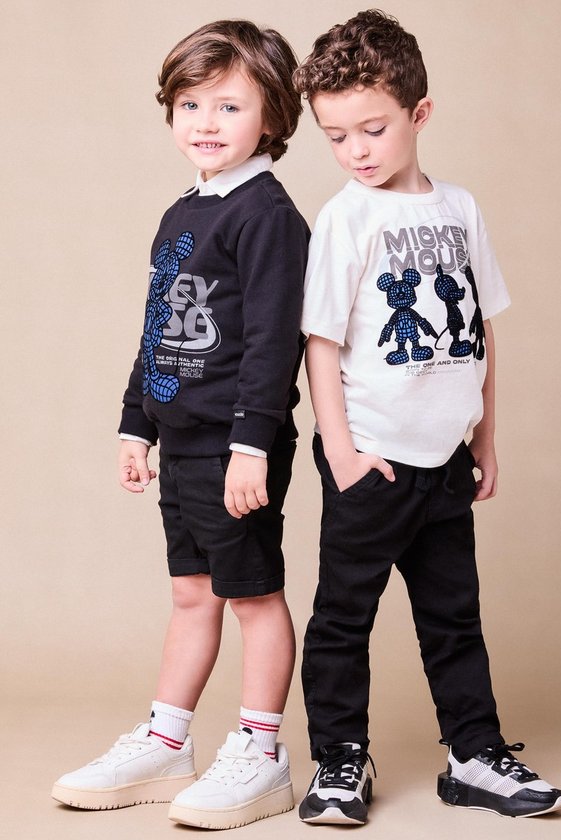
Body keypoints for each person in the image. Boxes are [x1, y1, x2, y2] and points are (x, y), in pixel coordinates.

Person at [293, 9, 561, 825]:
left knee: (454, 618)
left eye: (372, 130)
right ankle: (340, 759)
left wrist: (486, 437)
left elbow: (480, 329)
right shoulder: (345, 218)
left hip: (444, 461)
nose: (356, 151)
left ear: (420, 113)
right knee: (344, 618)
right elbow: (320, 341)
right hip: (372, 459)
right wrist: (341, 452)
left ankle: (474, 755)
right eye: (336, 137)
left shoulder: (460, 209)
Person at [51, 19, 309, 830]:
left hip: (236, 446)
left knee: (252, 596)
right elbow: (156, 325)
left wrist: (251, 446)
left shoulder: (268, 216)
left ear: (272, 116)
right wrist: (137, 424)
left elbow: (275, 342)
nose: (205, 122)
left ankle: (261, 751)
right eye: (190, 104)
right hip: (183, 442)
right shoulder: (183, 212)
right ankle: (167, 740)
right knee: (192, 593)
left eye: (229, 106)